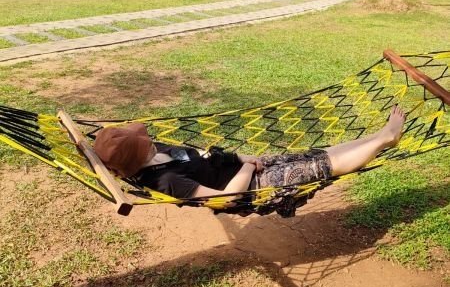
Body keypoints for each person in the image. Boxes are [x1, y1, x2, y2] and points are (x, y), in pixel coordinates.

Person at [93, 106, 406, 205]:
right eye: (142, 142)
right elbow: (225, 199)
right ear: (136, 158)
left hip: (246, 166)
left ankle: (378, 137)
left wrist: (242, 158)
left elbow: (206, 155)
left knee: (315, 154)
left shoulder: (158, 151)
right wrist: (247, 169)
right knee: (323, 166)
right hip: (254, 188)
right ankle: (386, 138)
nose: (148, 139)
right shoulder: (167, 181)